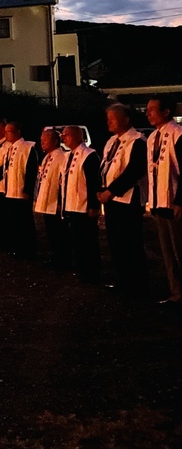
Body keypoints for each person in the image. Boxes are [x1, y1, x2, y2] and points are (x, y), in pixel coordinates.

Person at [97, 105, 148, 297]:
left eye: (113, 118)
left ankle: (138, 285)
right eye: (107, 118)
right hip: (111, 200)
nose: (109, 122)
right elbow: (106, 168)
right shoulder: (111, 142)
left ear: (126, 119)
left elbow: (133, 171)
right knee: (116, 242)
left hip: (128, 200)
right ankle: (124, 280)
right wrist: (102, 190)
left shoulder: (137, 141)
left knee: (131, 243)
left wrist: (111, 191)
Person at [146, 95, 182, 306]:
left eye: (152, 109)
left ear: (166, 111)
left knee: (179, 249)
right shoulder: (153, 138)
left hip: (174, 202)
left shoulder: (177, 134)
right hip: (159, 202)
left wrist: (180, 200)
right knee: (167, 252)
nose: (148, 113)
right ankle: (175, 291)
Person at [58, 125, 102, 284]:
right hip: (71, 205)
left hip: (83, 207)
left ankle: (92, 274)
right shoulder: (68, 155)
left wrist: (93, 205)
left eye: (66, 135)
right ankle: (82, 271)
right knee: (77, 242)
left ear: (77, 136)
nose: (63, 138)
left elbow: (94, 182)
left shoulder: (89, 155)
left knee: (88, 242)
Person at [0, 122, 39, 259]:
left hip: (21, 192)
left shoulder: (28, 147)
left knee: (25, 222)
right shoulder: (9, 149)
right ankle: (15, 246)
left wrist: (28, 190)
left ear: (17, 132)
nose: (5, 134)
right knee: (13, 221)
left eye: (8, 131)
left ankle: (28, 249)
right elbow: (4, 169)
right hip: (10, 190)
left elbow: (31, 170)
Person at [34, 128, 71, 271]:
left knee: (60, 233)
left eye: (45, 140)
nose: (42, 142)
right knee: (51, 232)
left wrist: (61, 202)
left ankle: (64, 261)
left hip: (56, 203)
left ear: (55, 141)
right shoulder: (47, 157)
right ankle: (56, 257)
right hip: (47, 201)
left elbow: (62, 181)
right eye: (41, 139)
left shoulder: (61, 157)